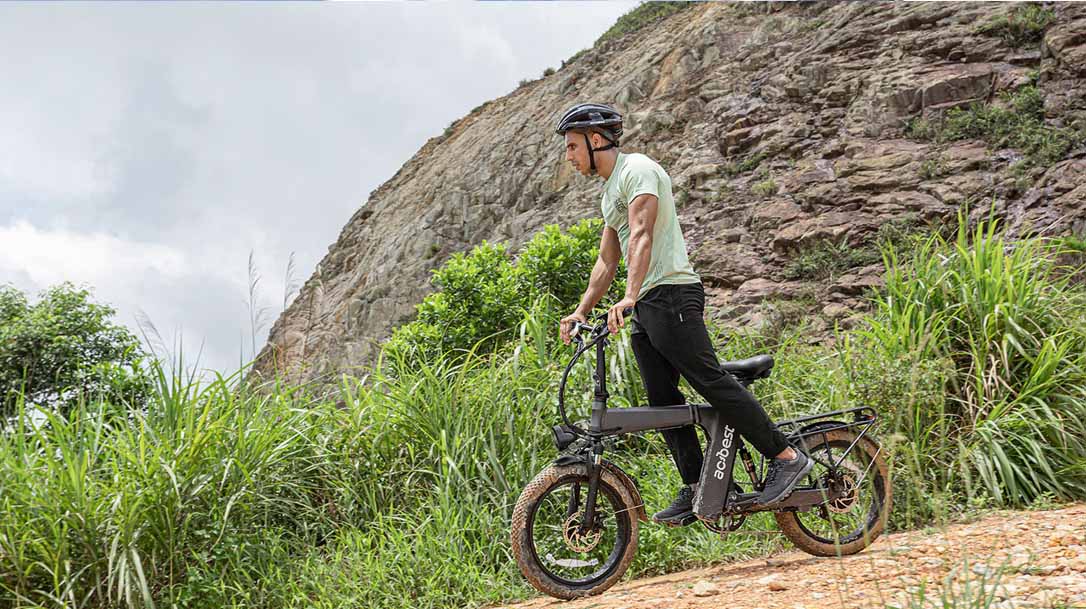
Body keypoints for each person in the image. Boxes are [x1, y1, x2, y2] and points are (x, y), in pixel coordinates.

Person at [555, 102, 812, 526]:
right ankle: (698, 485)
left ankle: (786, 456)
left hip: (672, 293)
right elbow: (607, 261)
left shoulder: (637, 170)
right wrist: (581, 311)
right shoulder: (608, 193)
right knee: (662, 401)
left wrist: (630, 296)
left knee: (709, 381)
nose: (568, 156)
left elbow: (641, 233)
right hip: (646, 305)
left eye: (571, 146)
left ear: (595, 139)